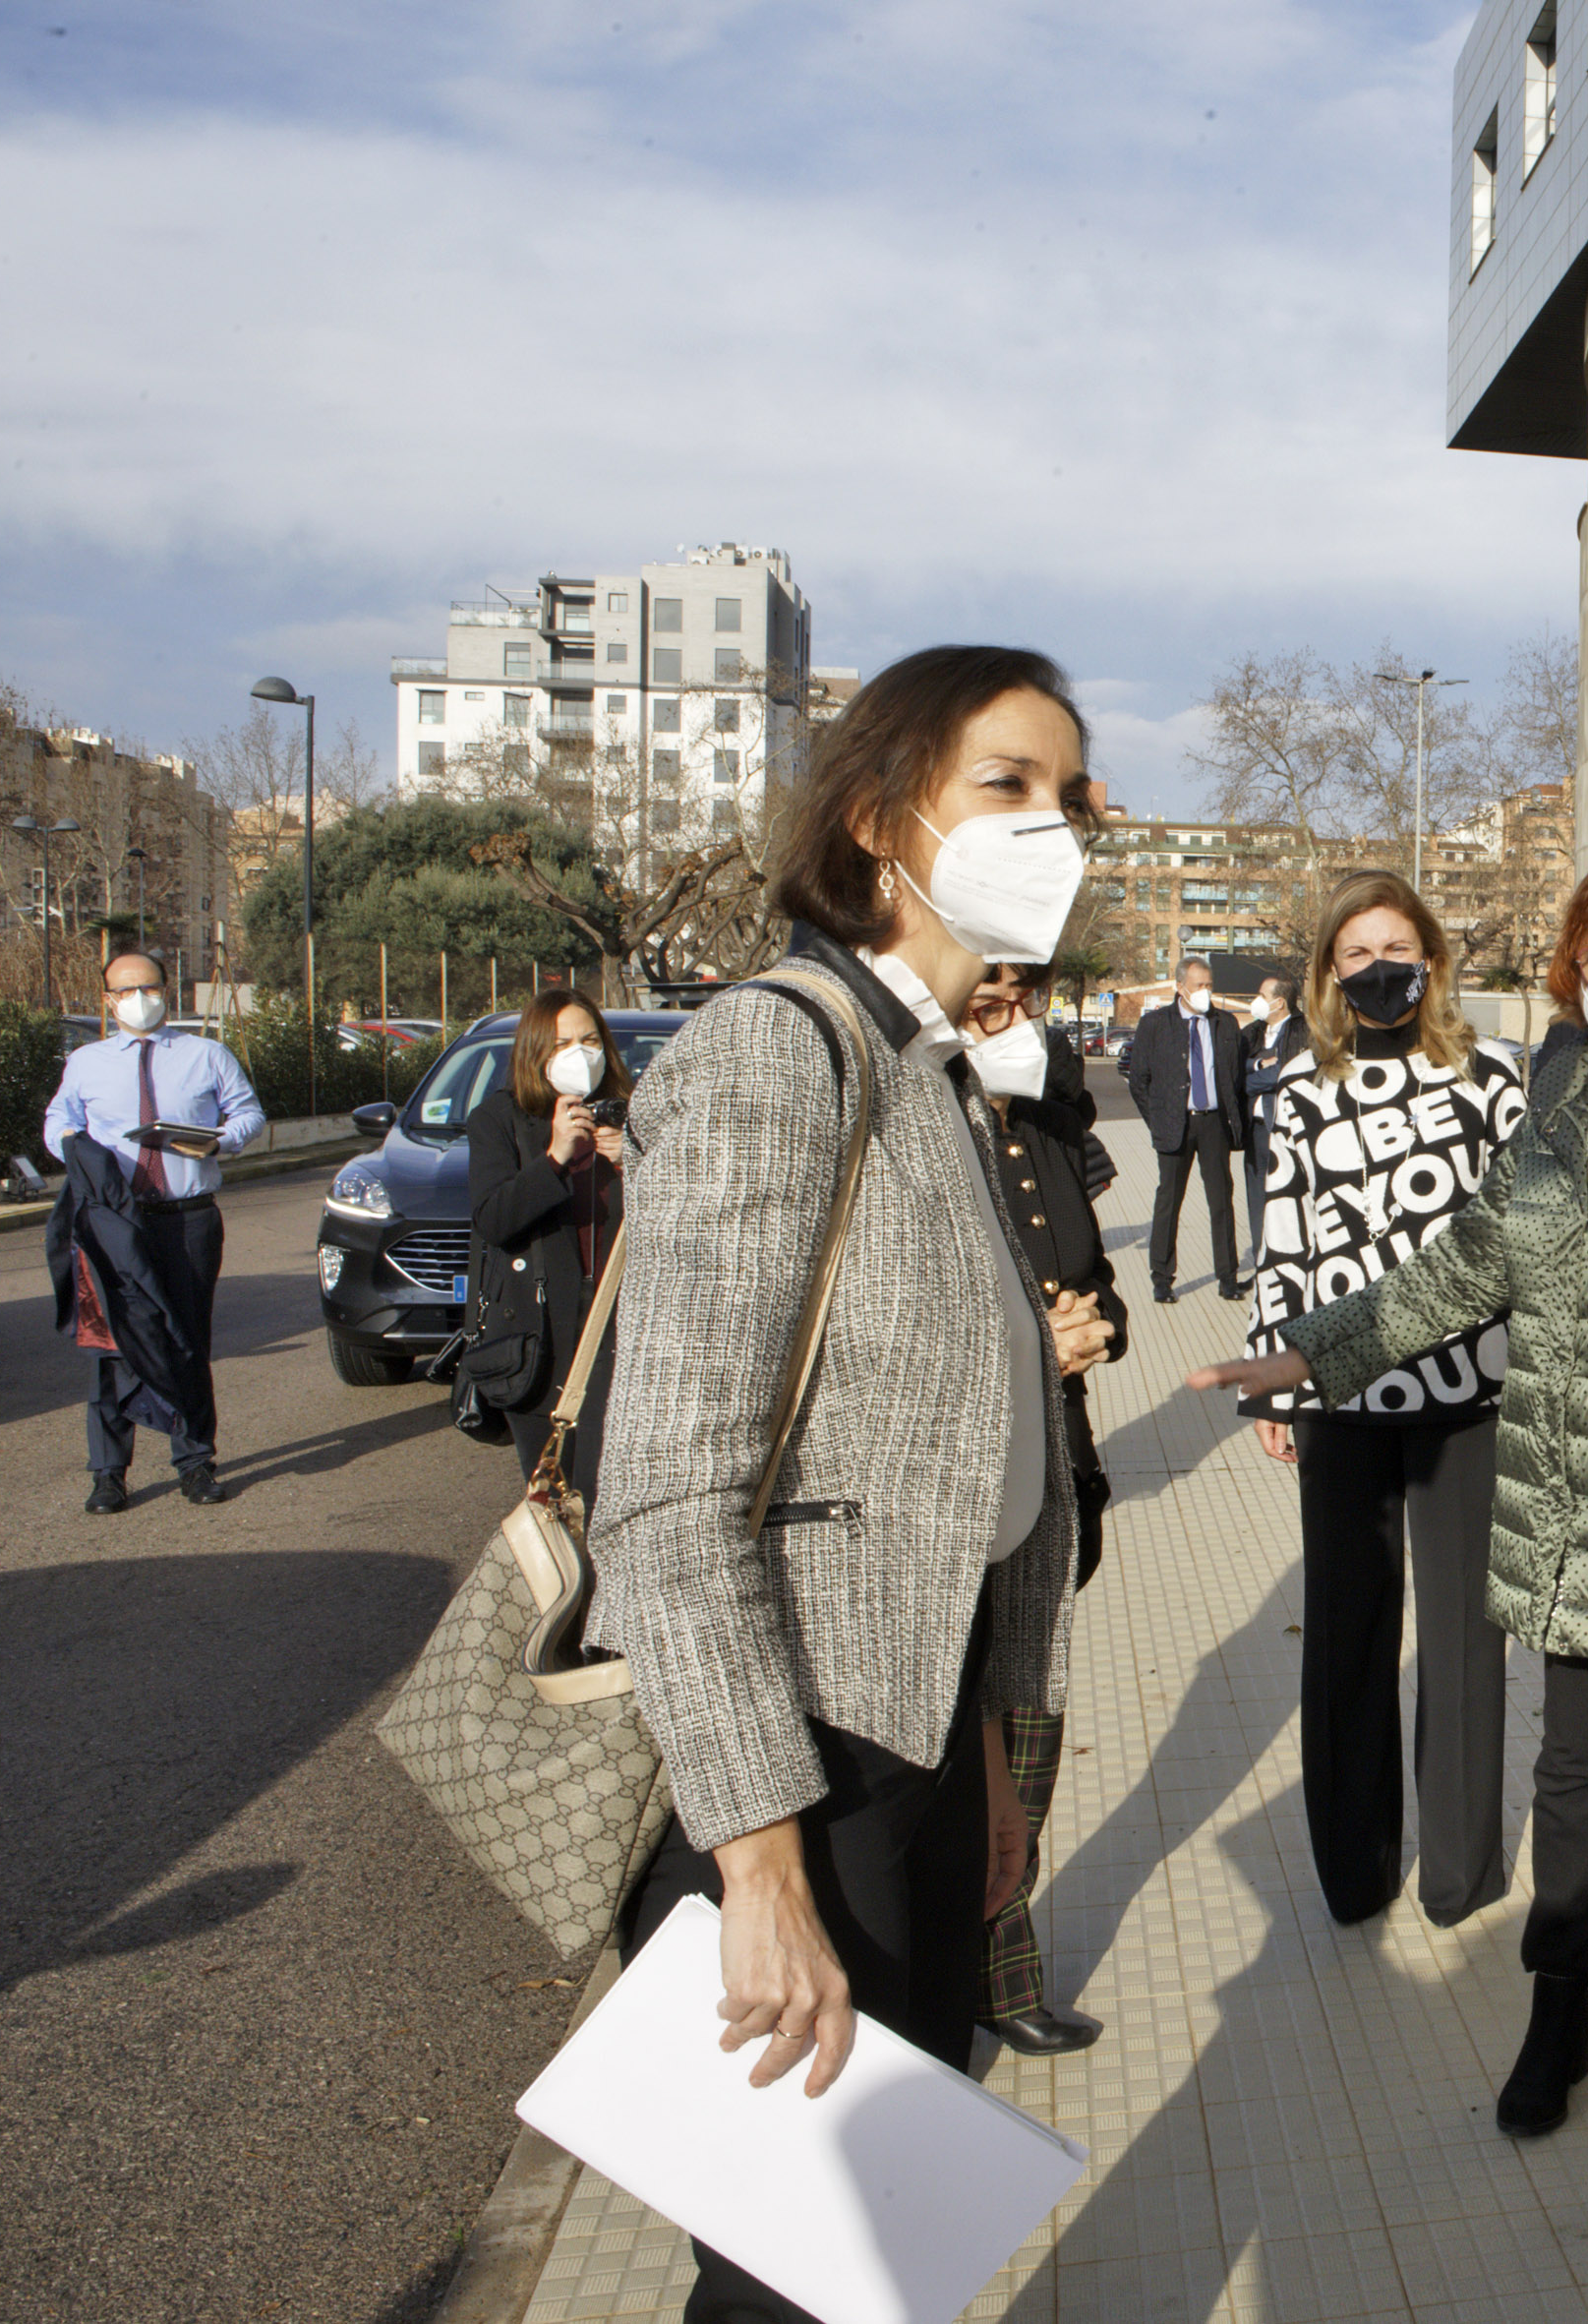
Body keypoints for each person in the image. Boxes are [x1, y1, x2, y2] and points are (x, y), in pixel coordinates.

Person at [590, 645, 1092, 2324]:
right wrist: (761, 1868)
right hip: (808, 1764)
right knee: (798, 2276)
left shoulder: (933, 1071)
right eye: (1007, 786)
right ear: (882, 824)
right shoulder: (777, 1049)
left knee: (881, 2258)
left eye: (1070, 792)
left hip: (928, 1745)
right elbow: (665, 1497)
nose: (1058, 825)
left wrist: (1002, 1761)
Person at [1195, 844, 1588, 2151]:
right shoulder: (1565, 1083)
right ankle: (1557, 2008)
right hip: (1569, 1520)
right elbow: (1472, 1261)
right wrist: (1312, 1349)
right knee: (1574, 1778)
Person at [1239, 872, 1521, 1928]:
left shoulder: (1494, 1081)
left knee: (1462, 1639)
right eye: (1355, 953)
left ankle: (1460, 1872)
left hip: (1470, 1395)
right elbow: (1282, 1242)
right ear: (1327, 973)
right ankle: (1355, 1870)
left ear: (1433, 958)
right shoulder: (1299, 1093)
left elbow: (1521, 1236)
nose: (1378, 967)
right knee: (1350, 1633)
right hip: (1341, 1398)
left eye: (1395, 946)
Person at [960, 962, 1123, 2057]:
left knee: (1031, 1732)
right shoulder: (923, 1132)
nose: (1006, 1016)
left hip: (1056, 1470)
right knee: (962, 1750)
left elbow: (1097, 1274)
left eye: (1021, 998)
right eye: (986, 999)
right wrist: (1027, 1343)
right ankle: (967, 1969)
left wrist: (1094, 1320)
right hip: (958, 1487)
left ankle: (1001, 1967)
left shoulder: (1054, 1125)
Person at [42, 951, 262, 1513]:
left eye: (149, 987)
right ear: (109, 1000)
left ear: (166, 991)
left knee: (187, 1339)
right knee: (111, 1342)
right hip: (114, 1223)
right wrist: (75, 1146)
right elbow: (58, 1122)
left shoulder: (206, 1054)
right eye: (125, 990)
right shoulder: (86, 1062)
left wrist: (219, 1140)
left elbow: (248, 1115)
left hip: (187, 1218)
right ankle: (108, 1473)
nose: (139, 998)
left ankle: (195, 1462)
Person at [465, 989, 631, 1509]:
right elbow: (495, 1220)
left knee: (609, 1492)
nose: (579, 1054)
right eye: (562, 1043)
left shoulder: (638, 1114)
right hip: (537, 1341)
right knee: (552, 1497)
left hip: (619, 1327)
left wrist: (636, 1163)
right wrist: (556, 1157)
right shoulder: (500, 1119)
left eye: (589, 1040)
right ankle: (564, 1590)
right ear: (536, 1050)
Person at [1124, 955, 1246, 1300]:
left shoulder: (1225, 1023)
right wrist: (1159, 1121)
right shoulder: (1155, 1024)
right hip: (1175, 1125)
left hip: (1213, 1125)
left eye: (1209, 986)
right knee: (1168, 1202)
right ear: (1180, 987)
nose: (1205, 992)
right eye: (1198, 986)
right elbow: (1139, 1081)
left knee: (1221, 1201)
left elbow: (1234, 1078)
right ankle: (1162, 1279)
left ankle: (1228, 1278)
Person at [1239, 972, 1305, 1247]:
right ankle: (1260, 1261)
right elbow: (1231, 1069)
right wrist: (1257, 1066)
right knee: (1257, 1200)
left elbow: (1286, 1073)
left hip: (1285, 1127)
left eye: (1262, 996)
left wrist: (1252, 1078)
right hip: (1255, 1130)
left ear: (1279, 1003)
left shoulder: (1303, 1030)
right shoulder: (1252, 1032)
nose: (1256, 1002)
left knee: (1287, 1200)